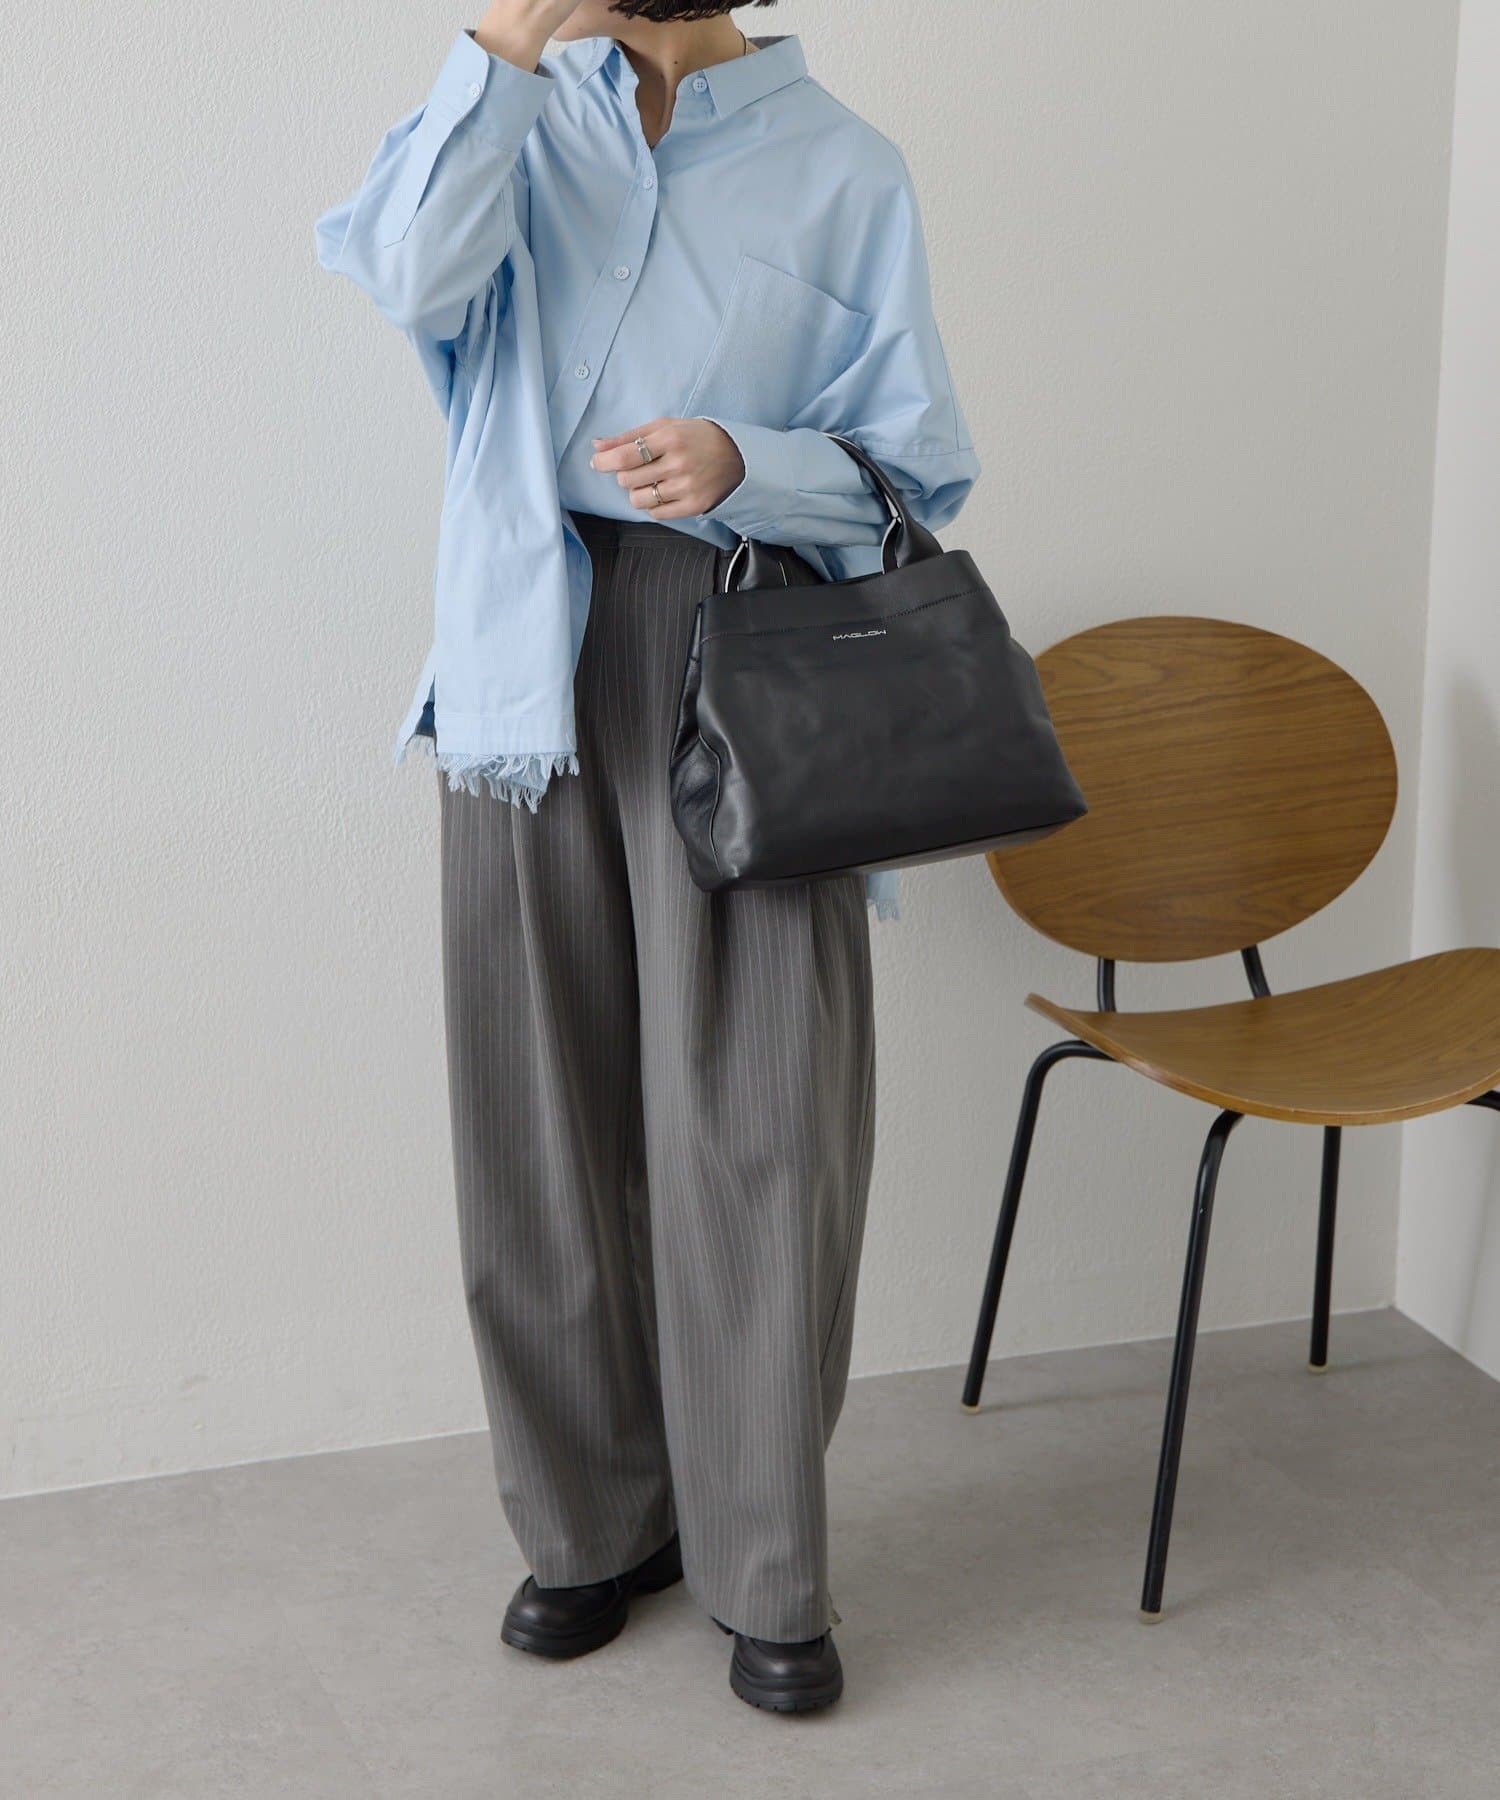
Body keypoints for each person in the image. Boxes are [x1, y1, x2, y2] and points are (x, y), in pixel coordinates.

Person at [315, 0, 978, 1714]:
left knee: (758, 1115)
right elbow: (401, 273)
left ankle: (766, 1561)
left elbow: (919, 469)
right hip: (522, 650)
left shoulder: (845, 167)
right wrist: (504, 41)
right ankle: (589, 1528)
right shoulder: (518, 125)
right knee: (534, 1106)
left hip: (746, 649)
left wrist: (751, 464)